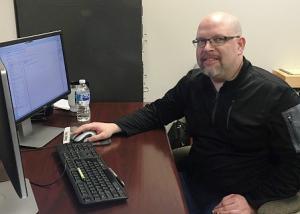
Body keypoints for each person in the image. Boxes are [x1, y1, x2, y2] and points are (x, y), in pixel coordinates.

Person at [73, 12, 300, 214]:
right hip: (192, 181)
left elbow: (295, 166)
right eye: (201, 41)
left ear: (240, 44)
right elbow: (158, 111)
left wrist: (253, 202)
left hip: (231, 200)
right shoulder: (195, 82)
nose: (207, 48)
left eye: (218, 39)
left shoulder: (279, 96)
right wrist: (115, 126)